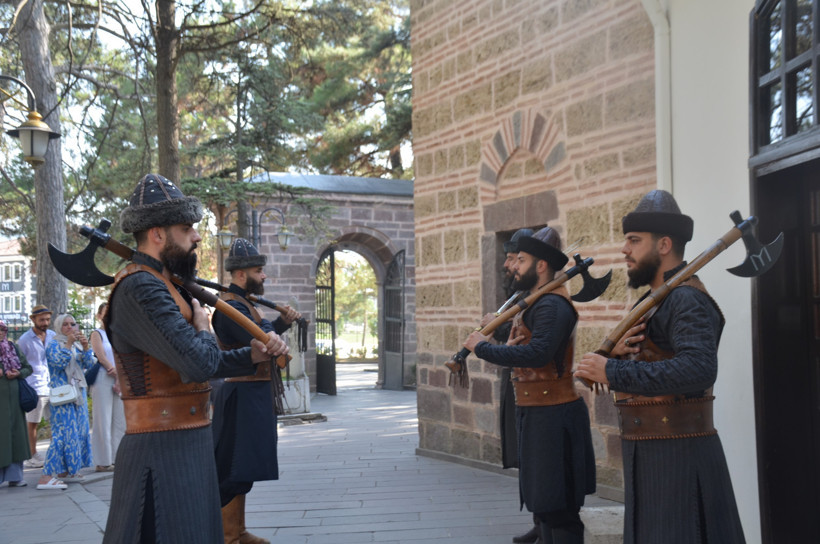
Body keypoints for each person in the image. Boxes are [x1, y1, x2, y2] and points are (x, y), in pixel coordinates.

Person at [102, 174, 288, 543]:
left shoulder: (166, 283)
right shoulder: (141, 286)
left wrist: (251, 354)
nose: (197, 236)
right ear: (157, 234)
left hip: (188, 439)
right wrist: (203, 323)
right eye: (187, 228)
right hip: (160, 448)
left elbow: (203, 362)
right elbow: (198, 363)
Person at [575, 190, 746, 543]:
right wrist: (617, 357)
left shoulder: (686, 298)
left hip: (680, 459)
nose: (625, 249)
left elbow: (698, 368)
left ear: (664, 244)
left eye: (634, 241)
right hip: (652, 453)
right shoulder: (657, 300)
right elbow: (657, 358)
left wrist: (612, 371)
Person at [465, 226, 596, 544]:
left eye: (521, 260)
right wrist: (496, 334)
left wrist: (481, 348)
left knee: (559, 507)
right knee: (547, 500)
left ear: (541, 266)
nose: (515, 266)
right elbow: (525, 342)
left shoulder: (552, 305)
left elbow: (539, 354)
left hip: (554, 414)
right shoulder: (539, 303)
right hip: (538, 410)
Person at [211, 238, 302, 544]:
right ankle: (228, 536)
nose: (264, 276)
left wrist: (282, 322)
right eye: (258, 270)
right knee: (232, 467)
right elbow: (261, 341)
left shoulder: (244, 304)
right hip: (240, 395)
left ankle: (237, 531)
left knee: (244, 467)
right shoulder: (229, 307)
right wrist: (277, 327)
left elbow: (262, 334)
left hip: (254, 395)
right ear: (240, 275)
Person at [36, 313, 95, 490]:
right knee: (62, 434)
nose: (70, 327)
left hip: (78, 395)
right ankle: (46, 477)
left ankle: (66, 471)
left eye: (72, 324)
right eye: (65, 325)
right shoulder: (54, 344)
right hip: (63, 397)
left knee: (79, 432)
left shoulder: (76, 344)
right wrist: (68, 344)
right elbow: (58, 363)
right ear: (59, 327)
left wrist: (85, 347)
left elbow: (89, 365)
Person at [17, 305, 56, 468]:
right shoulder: (25, 339)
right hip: (35, 386)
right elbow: (21, 363)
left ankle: (55, 452)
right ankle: (32, 455)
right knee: (33, 422)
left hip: (52, 385)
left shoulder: (53, 335)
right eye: (41, 320)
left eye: (47, 319)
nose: (45, 323)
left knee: (54, 421)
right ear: (33, 320)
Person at [89, 302, 125, 472]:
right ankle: (103, 461)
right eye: (104, 313)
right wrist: (113, 371)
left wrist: (121, 377)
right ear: (99, 316)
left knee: (119, 421)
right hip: (104, 376)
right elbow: (100, 355)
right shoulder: (97, 334)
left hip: (119, 378)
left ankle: (117, 457)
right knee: (103, 419)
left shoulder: (117, 333)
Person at [0, 320, 33, 488]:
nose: (0, 332)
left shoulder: (12, 348)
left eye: (2, 329)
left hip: (14, 402)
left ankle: (15, 476)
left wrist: (18, 372)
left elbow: (28, 368)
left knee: (16, 436)